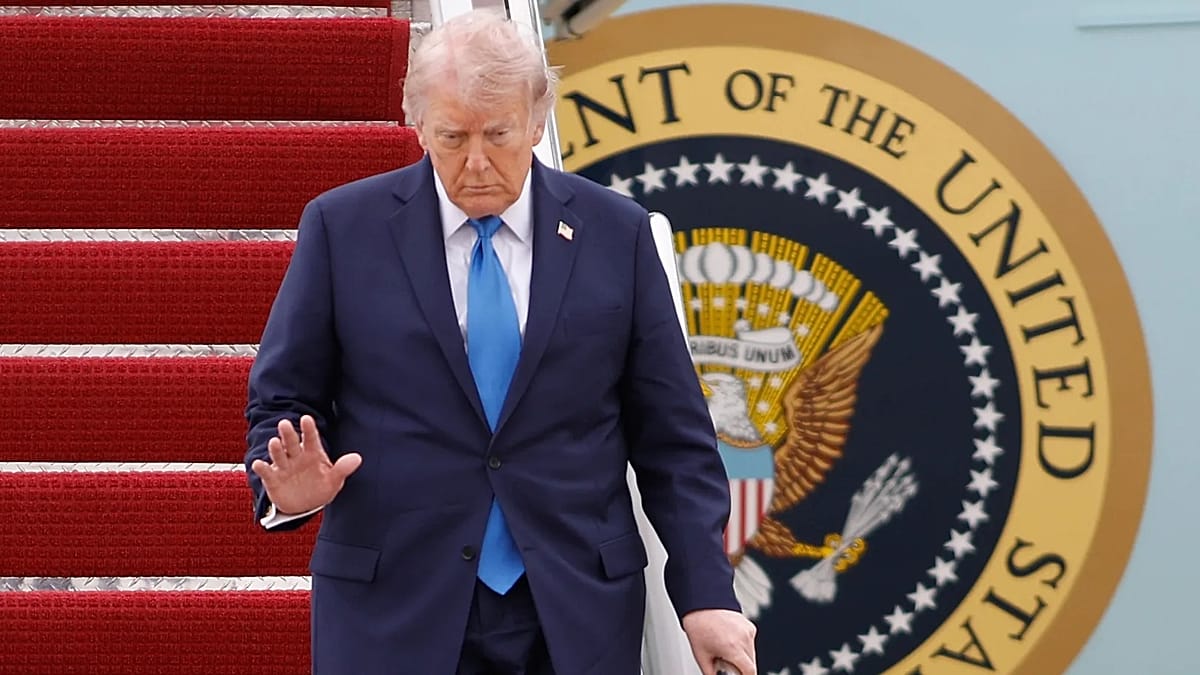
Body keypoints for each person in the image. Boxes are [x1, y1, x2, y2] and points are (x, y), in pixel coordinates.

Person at [244, 9, 756, 674]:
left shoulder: (617, 234)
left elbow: (674, 439)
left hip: (573, 612)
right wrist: (287, 491)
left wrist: (707, 594)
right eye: (453, 137)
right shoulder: (342, 230)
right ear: (416, 123)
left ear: (538, 120)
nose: (477, 161)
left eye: (499, 134)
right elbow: (283, 399)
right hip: (394, 608)